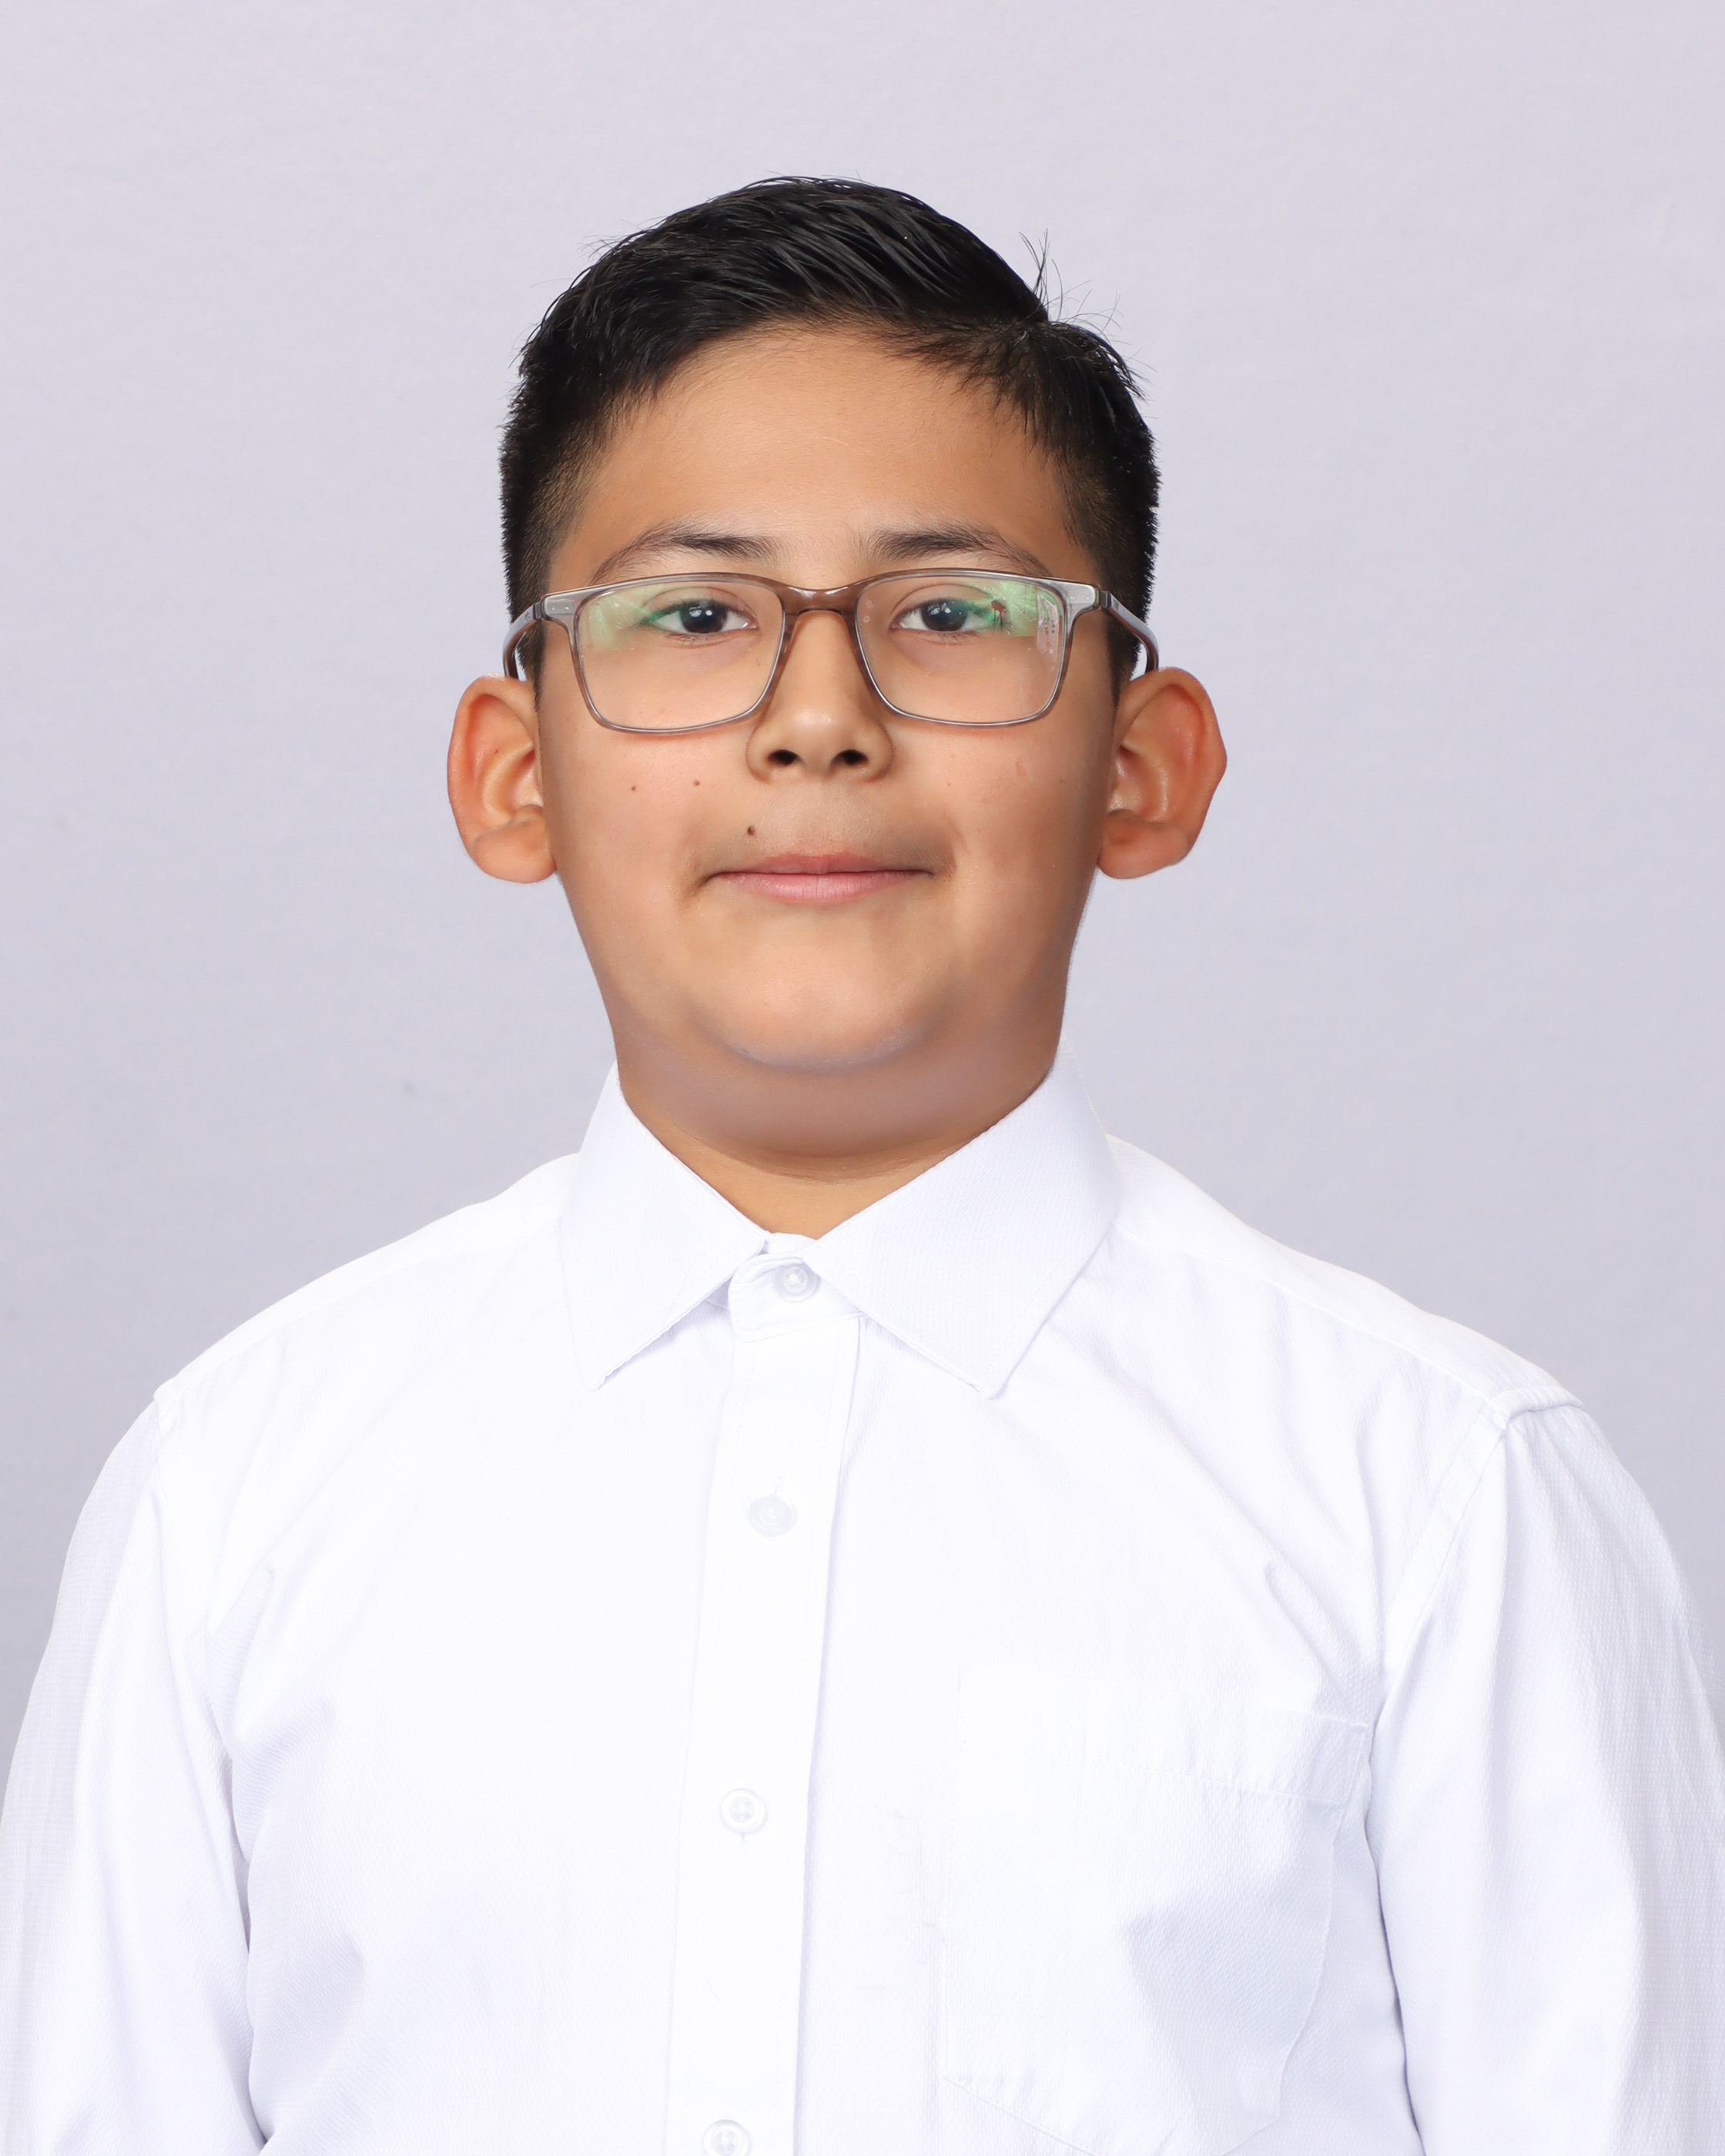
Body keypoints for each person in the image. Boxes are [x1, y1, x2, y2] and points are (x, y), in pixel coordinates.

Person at [2, 176, 1720, 2156]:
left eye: (955, 615)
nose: (817, 720)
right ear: (514, 770)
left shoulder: (1442, 1496)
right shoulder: (234, 1494)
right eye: (693, 615)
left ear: (1143, 763)